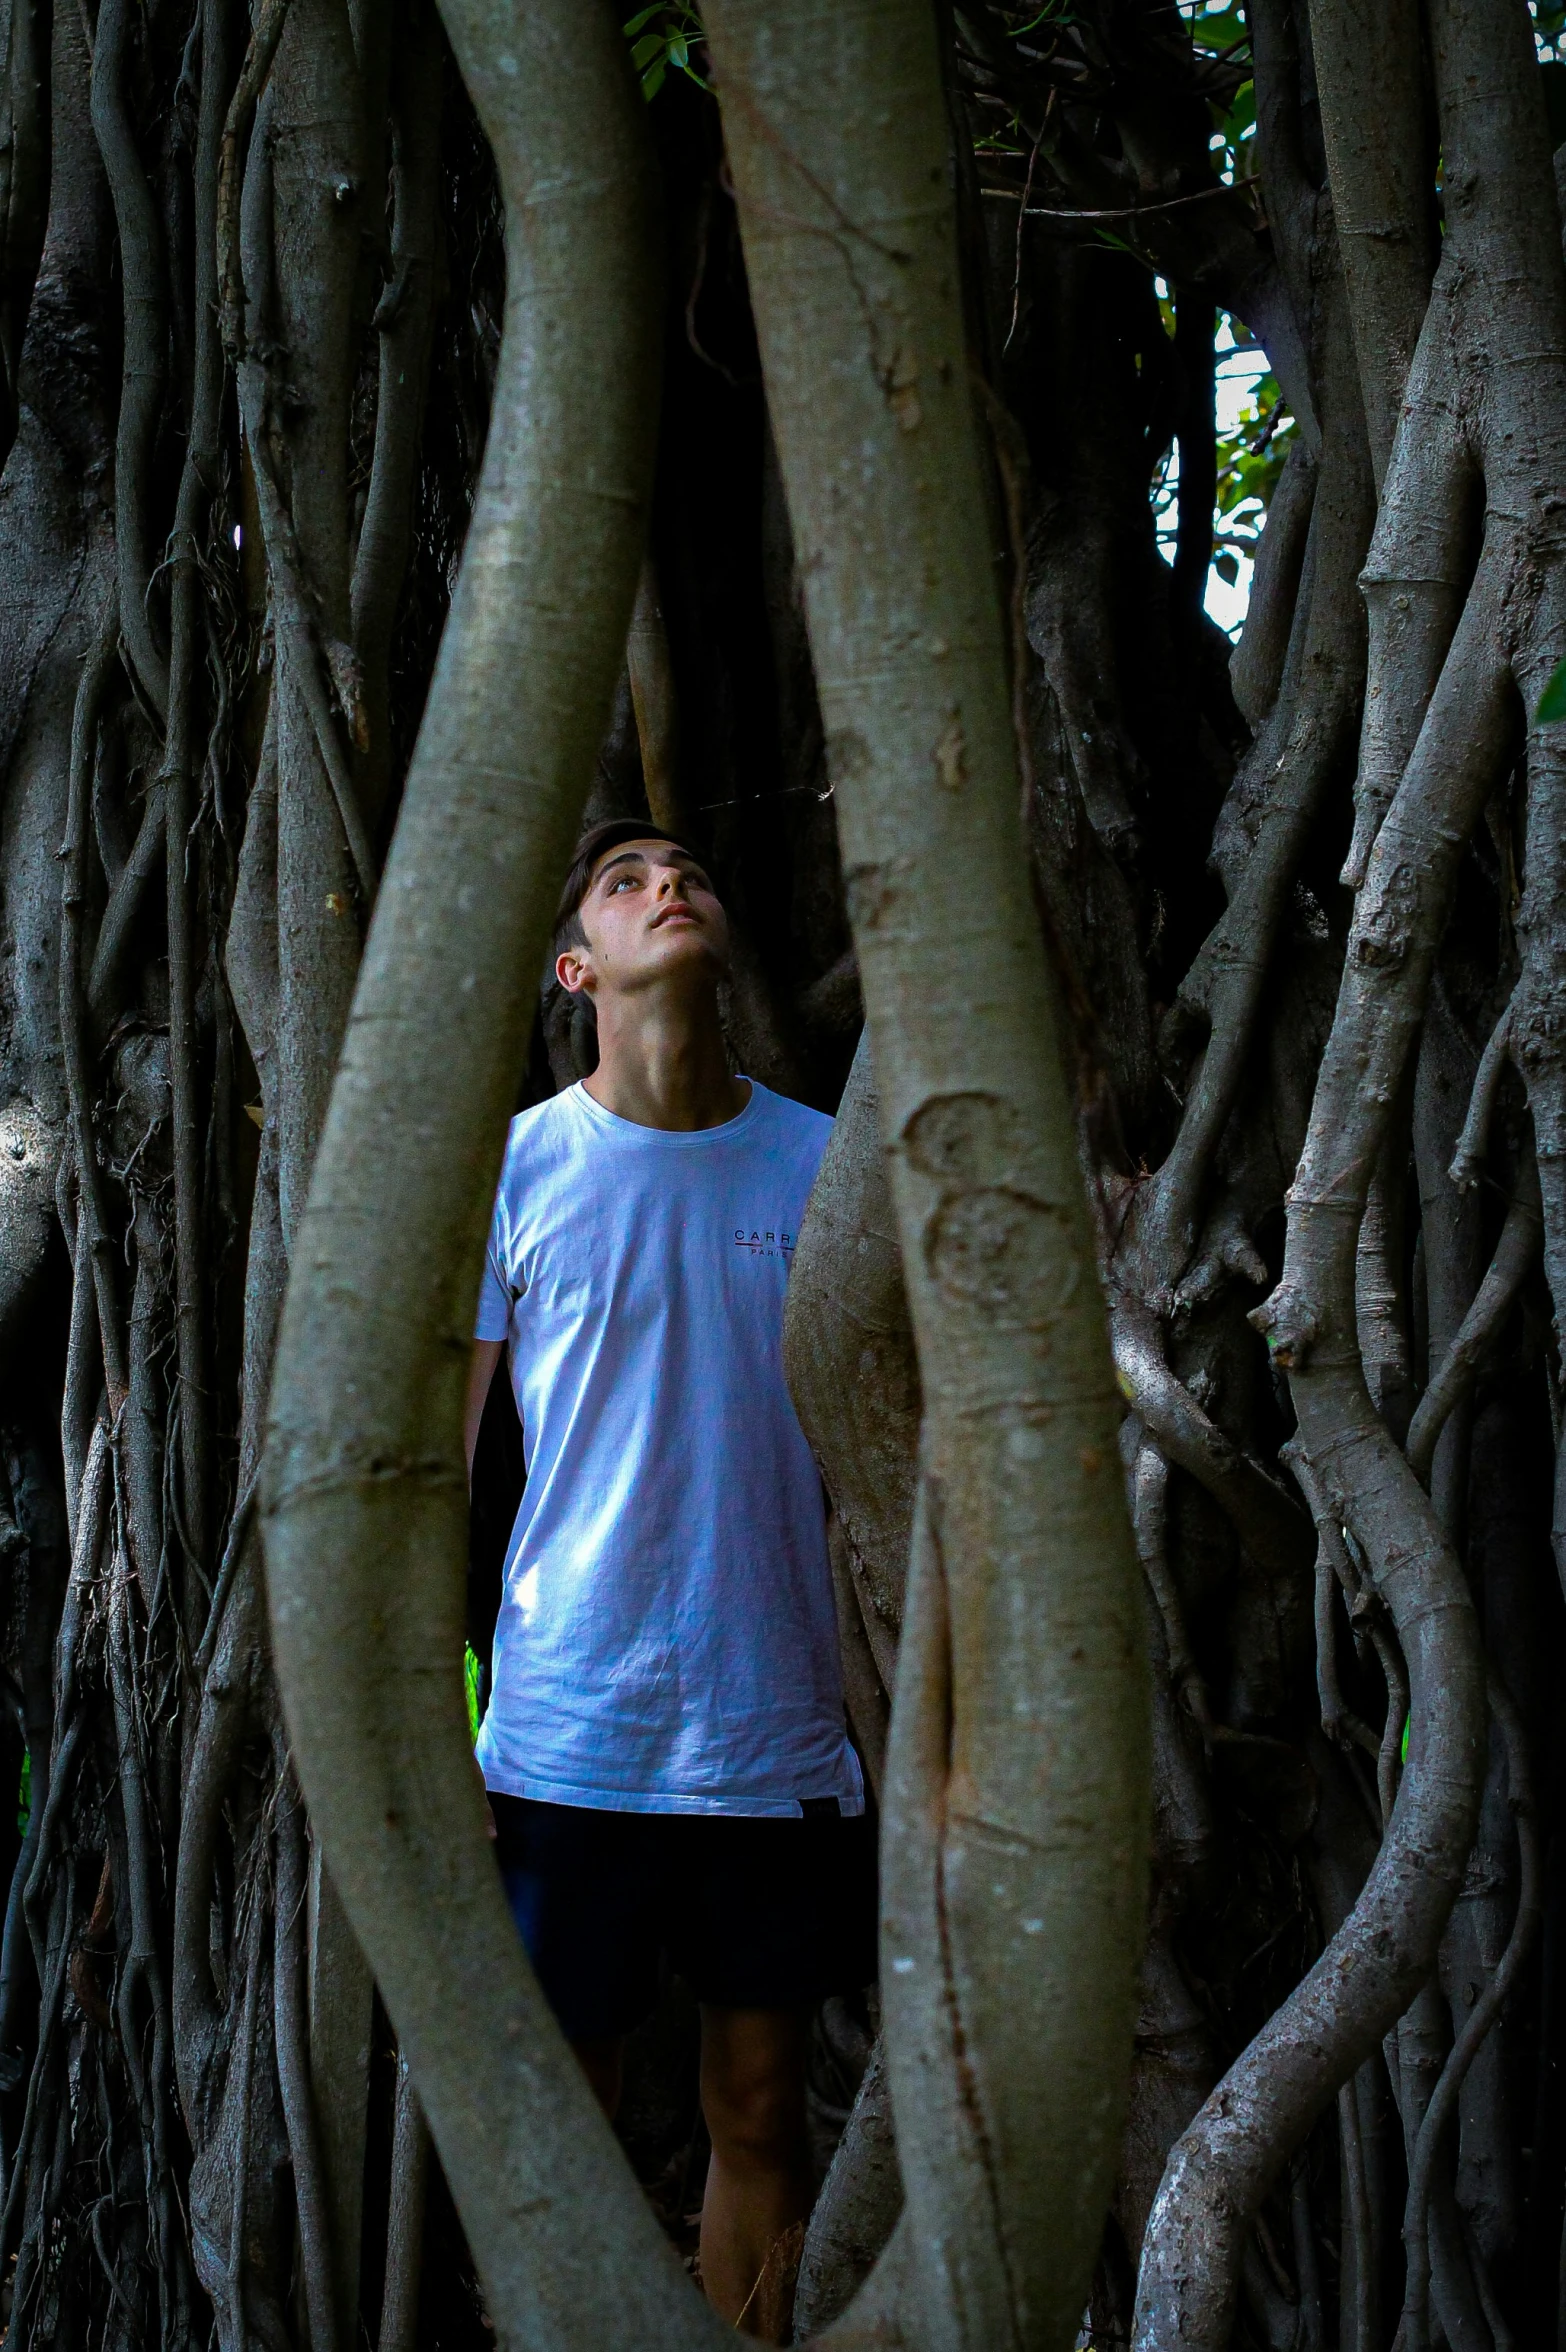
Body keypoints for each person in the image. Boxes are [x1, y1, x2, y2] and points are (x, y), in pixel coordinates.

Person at [464, 819, 875, 2335]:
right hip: (570, 1716)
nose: (670, 888)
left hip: (774, 1720)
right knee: (566, 2133)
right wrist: (432, 1715)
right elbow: (437, 1472)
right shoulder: (511, 1168)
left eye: (689, 873)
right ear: (578, 969)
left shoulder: (824, 1159)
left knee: (760, 2112)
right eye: (628, 883)